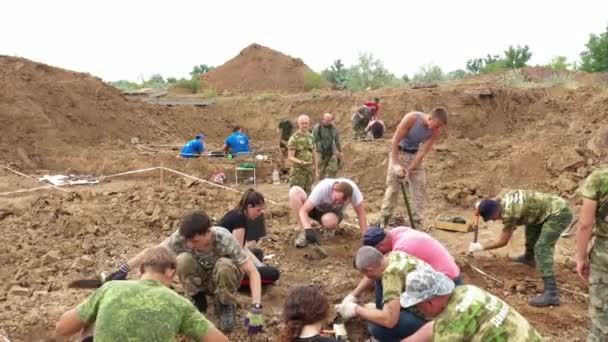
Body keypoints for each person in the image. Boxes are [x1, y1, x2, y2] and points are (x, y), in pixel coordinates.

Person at [103, 210, 265, 334]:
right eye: (187, 240)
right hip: (200, 278)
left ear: (208, 232)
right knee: (182, 259)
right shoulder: (184, 238)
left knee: (224, 265)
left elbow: (252, 272)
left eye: (195, 241)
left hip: (222, 278)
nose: (190, 244)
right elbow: (154, 251)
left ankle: (225, 303)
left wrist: (256, 307)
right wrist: (124, 268)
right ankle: (197, 297)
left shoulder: (224, 239)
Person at [55, 247, 228, 342]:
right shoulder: (180, 304)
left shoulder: (110, 288)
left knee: (90, 321)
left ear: (141, 270)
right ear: (171, 273)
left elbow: (62, 328)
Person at [469, 189, 573, 307]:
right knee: (531, 226)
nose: (494, 220)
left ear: (495, 212)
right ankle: (529, 258)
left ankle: (552, 292)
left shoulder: (510, 214)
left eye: (492, 217)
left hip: (558, 214)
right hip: (545, 209)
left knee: (542, 247)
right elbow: (493, 199)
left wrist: (481, 247)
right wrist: (481, 205)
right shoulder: (503, 197)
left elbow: (503, 242)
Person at [399, 268, 542, 342]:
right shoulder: (466, 290)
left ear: (429, 302)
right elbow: (437, 325)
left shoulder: (449, 325)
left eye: (418, 306)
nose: (419, 310)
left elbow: (446, 325)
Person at [335, 247, 430, 341]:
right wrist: (353, 295)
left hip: (428, 318)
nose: (366, 277)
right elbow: (373, 276)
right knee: (378, 279)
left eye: (365, 274)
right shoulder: (392, 256)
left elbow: (389, 321)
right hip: (424, 299)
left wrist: (356, 309)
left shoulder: (392, 277)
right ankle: (384, 311)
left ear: (370, 270)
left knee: (377, 329)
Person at [380, 107, 448, 228]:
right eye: (437, 125)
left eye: (440, 126)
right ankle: (385, 219)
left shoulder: (436, 131)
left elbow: (422, 152)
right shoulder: (412, 118)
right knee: (393, 188)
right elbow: (395, 140)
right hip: (399, 152)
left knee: (419, 186)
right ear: (430, 118)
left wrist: (409, 169)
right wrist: (396, 164)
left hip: (414, 154)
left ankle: (416, 223)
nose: (437, 128)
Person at [217, 189, 280, 285]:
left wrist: (260, 266)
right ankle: (242, 279)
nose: (259, 214)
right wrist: (258, 269)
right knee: (274, 273)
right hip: (226, 266)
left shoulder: (237, 214)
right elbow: (237, 252)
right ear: (249, 207)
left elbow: (243, 247)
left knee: (258, 253)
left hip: (223, 257)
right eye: (258, 210)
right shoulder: (240, 219)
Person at [362, 225, 461, 283]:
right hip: (452, 273)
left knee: (385, 280)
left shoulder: (401, 249)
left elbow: (382, 270)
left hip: (447, 282)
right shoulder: (397, 232)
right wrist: (353, 295)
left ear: (380, 247)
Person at [575, 168, 608, 341]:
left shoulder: (599, 178)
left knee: (602, 318)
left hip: (605, 254)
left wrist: (581, 257)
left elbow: (585, 224)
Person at [289, 178, 368, 247]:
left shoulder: (354, 191)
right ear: (333, 189)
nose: (336, 203)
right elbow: (303, 210)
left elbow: (361, 214)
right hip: (315, 209)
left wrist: (365, 238)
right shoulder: (322, 188)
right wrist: (307, 229)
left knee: (329, 221)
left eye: (340, 203)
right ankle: (303, 232)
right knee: (294, 191)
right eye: (336, 200)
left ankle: (329, 229)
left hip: (332, 215)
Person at [288, 114, 317, 194]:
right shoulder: (294, 138)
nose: (304, 125)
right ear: (298, 124)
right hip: (298, 172)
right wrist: (300, 162)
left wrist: (316, 169)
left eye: (306, 123)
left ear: (309, 124)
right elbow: (290, 157)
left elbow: (314, 154)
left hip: (309, 171)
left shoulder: (311, 137)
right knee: (297, 193)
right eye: (302, 123)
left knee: (308, 193)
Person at [312, 113, 342, 179]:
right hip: (320, 152)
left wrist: (340, 151)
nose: (328, 122)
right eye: (327, 120)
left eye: (330, 120)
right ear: (323, 120)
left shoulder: (333, 128)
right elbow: (314, 141)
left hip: (331, 151)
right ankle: (320, 184)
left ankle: (331, 181)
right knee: (321, 170)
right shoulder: (317, 128)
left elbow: (337, 140)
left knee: (333, 168)